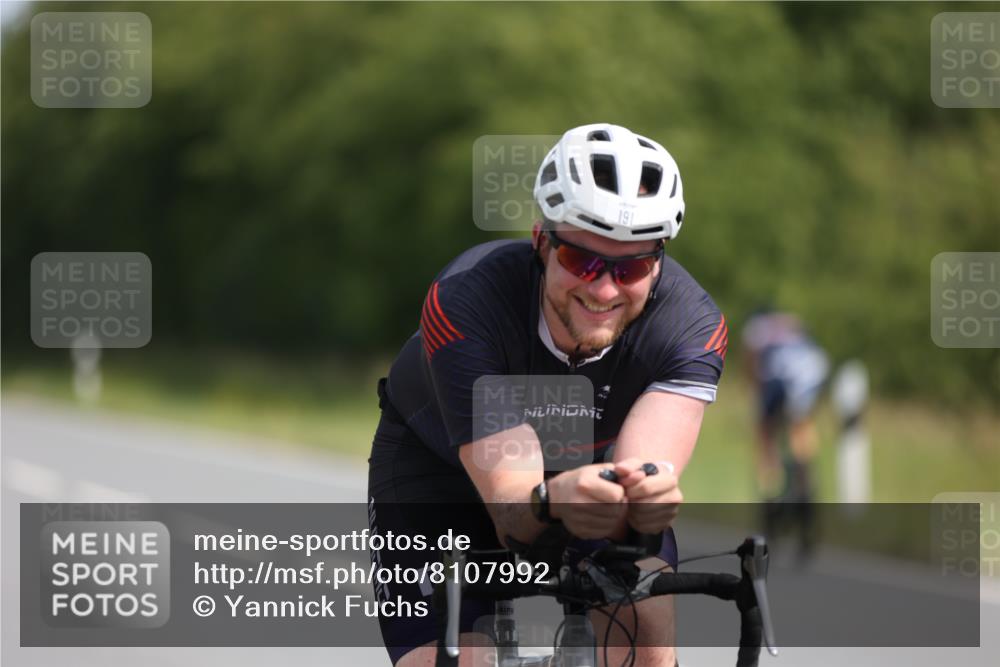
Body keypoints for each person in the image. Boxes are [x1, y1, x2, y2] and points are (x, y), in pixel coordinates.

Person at [368, 123, 727, 666]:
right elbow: (513, 506)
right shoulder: (468, 300)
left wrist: (642, 501)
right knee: (458, 660)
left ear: (657, 264)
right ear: (542, 241)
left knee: (647, 621)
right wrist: (553, 499)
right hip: (440, 469)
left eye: (629, 267)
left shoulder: (690, 326)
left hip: (589, 475)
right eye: (583, 261)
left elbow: (642, 474)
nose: (603, 289)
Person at [742, 307, 829, 558]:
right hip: (812, 370)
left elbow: (753, 370)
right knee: (802, 440)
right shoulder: (793, 327)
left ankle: (772, 498)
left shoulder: (756, 330)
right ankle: (805, 493)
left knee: (766, 441)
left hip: (780, 378)